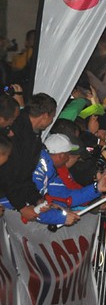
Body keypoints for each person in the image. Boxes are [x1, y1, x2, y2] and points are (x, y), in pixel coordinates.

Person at [31, 134, 106, 225]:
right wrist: (62, 218)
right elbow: (31, 209)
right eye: (68, 154)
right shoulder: (38, 171)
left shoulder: (51, 172)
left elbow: (68, 197)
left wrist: (97, 188)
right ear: (61, 155)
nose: (68, 158)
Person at [0, 93, 56, 222]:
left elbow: (25, 175)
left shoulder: (34, 137)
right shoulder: (14, 132)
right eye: (52, 117)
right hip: (6, 196)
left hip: (12, 196)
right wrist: (22, 207)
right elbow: (7, 174)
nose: (51, 121)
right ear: (45, 115)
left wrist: (36, 199)